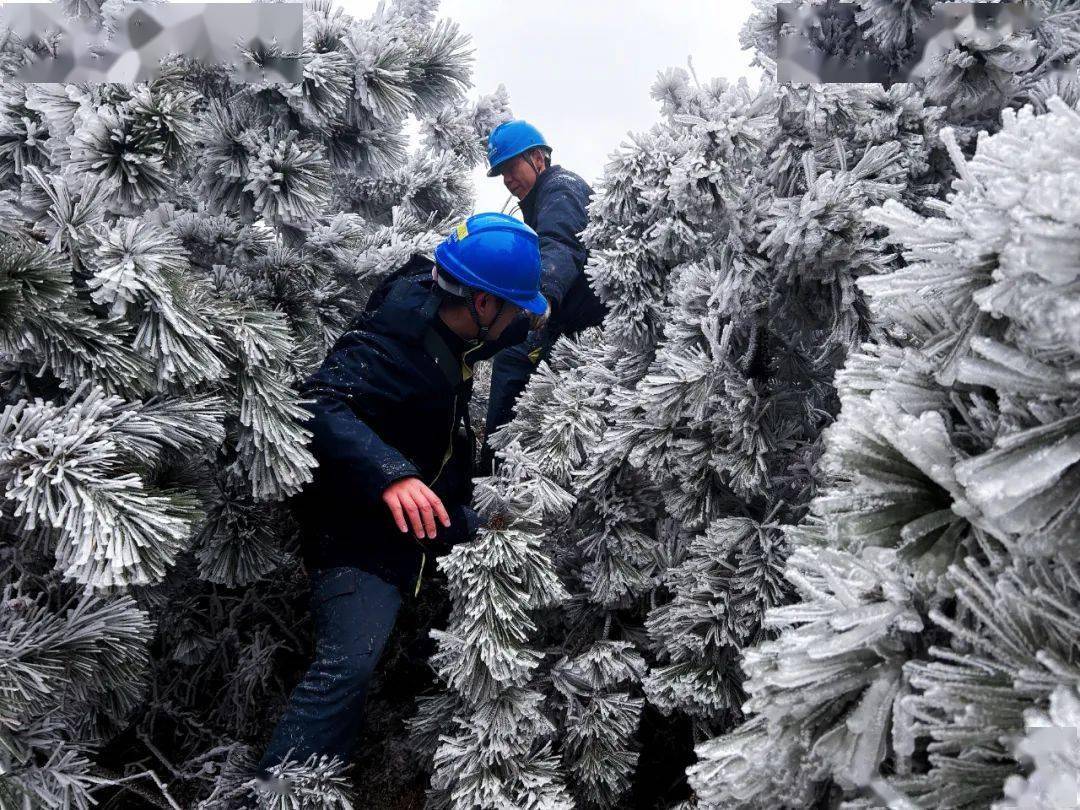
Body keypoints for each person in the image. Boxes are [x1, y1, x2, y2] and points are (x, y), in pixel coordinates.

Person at [256, 212, 547, 780]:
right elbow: (316, 405)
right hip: (358, 525)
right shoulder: (389, 345)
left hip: (430, 507)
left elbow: (513, 325)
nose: (515, 318)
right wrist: (391, 473)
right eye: (511, 306)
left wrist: (545, 307)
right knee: (349, 663)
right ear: (482, 304)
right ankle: (280, 787)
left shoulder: (452, 309)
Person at [480, 119, 607, 475]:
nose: (507, 178)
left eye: (511, 166)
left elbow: (560, 245)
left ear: (538, 158)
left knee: (513, 363)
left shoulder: (560, 190)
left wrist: (544, 296)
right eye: (500, 172)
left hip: (588, 326)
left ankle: (495, 472)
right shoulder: (539, 198)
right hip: (571, 321)